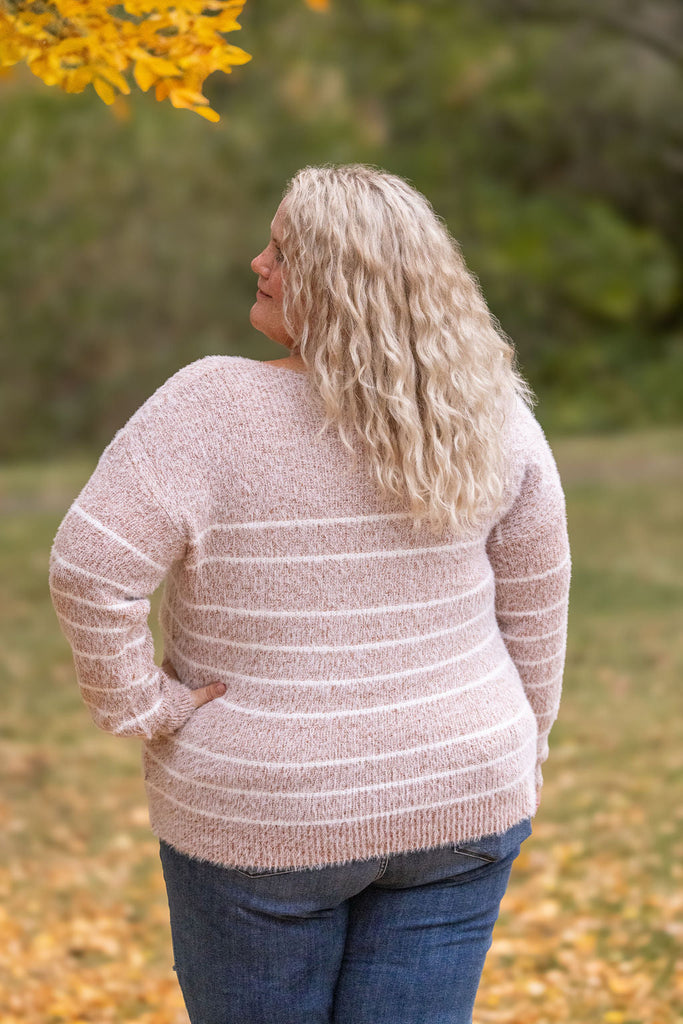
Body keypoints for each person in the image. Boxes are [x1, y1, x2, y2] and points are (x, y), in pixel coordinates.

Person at [49, 164, 571, 1024]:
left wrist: (141, 707)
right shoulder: (488, 412)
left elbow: (88, 566)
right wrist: (523, 743)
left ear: (343, 282)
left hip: (266, 810)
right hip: (463, 792)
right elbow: (536, 607)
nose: (258, 263)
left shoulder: (209, 406)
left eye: (284, 252)